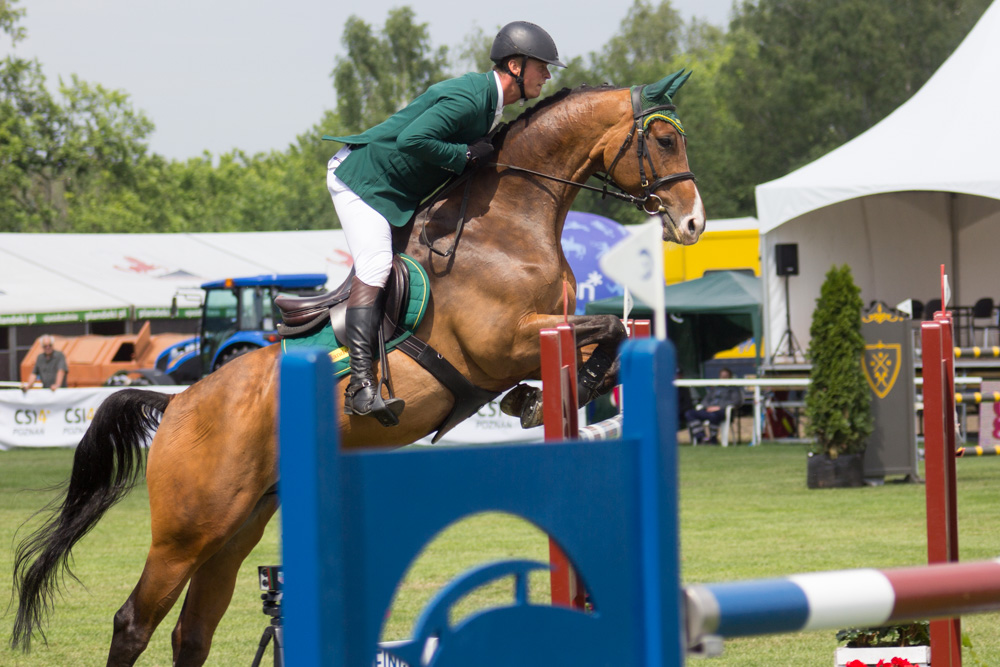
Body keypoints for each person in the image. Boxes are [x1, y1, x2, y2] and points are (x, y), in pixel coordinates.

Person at [324, 21, 565, 424]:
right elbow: (412, 140)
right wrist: (465, 158)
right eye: (543, 66)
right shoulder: (472, 99)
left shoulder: (492, 106)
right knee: (377, 265)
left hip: (397, 193)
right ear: (515, 66)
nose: (548, 75)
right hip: (361, 181)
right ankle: (361, 386)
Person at [685, 367, 743, 444]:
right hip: (709, 410)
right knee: (690, 413)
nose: (724, 378)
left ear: (730, 377)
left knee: (713, 416)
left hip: (722, 411)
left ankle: (713, 439)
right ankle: (701, 438)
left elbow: (736, 401)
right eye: (722, 376)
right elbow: (705, 400)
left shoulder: (734, 389)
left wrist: (719, 407)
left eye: (726, 376)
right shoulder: (716, 389)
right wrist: (708, 407)